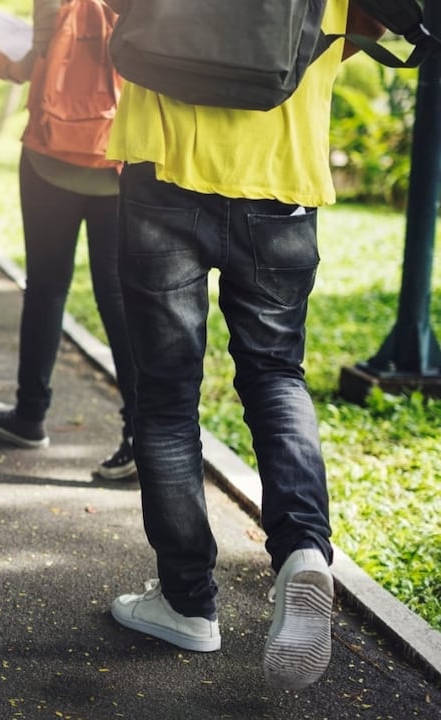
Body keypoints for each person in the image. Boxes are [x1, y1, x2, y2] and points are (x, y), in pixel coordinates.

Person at [102, 0, 382, 691]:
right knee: (276, 374)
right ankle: (303, 550)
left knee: (166, 396)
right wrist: (284, 61)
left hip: (165, 163)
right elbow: (372, 22)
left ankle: (187, 603)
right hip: (282, 168)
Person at [0, 0, 139, 481]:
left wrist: (7, 66)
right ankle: (140, 433)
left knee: (46, 288)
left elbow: (44, 55)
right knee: (118, 294)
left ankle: (30, 414)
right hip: (119, 155)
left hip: (51, 158)